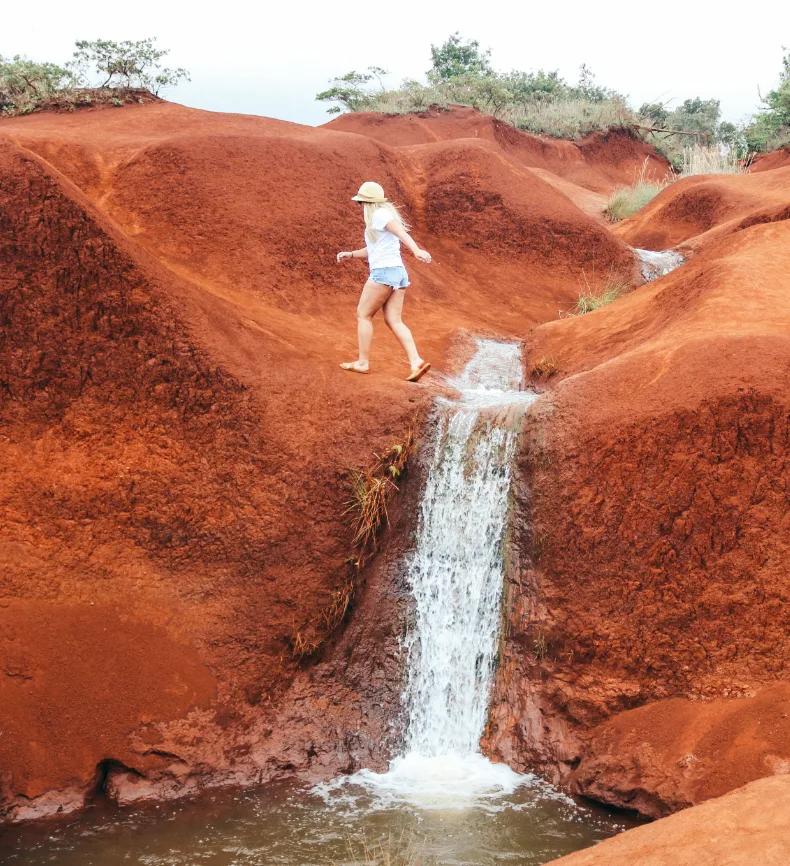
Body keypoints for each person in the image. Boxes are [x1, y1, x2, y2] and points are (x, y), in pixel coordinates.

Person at [336, 181, 432, 382]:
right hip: (398, 273)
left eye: (361, 203)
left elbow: (401, 233)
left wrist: (416, 251)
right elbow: (373, 250)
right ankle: (416, 361)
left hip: (383, 273)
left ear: (367, 203)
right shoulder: (378, 219)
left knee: (364, 315)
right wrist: (351, 254)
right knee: (394, 320)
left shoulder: (379, 215)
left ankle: (362, 363)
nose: (360, 207)